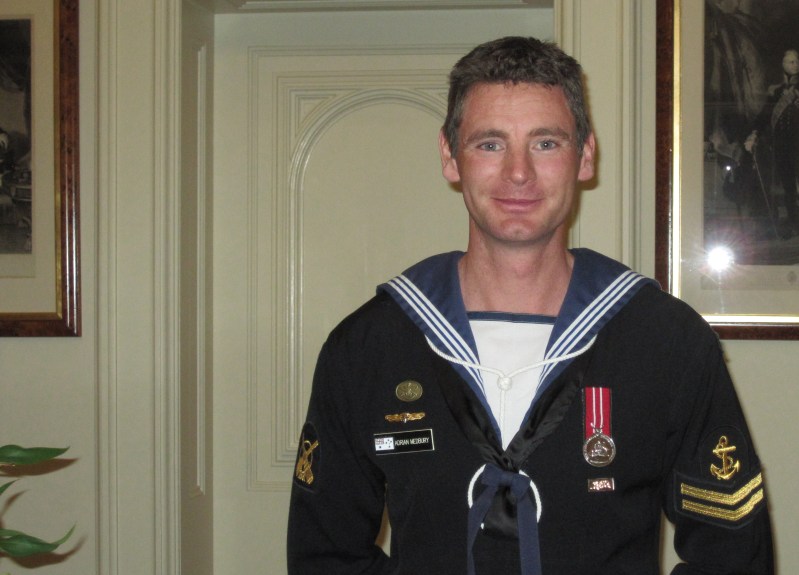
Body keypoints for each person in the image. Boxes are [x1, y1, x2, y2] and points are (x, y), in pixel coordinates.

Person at [287, 36, 773, 575]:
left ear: (585, 156)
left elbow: (732, 556)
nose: (518, 172)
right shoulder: (368, 346)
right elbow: (324, 557)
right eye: (490, 144)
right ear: (449, 156)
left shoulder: (668, 342)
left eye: (545, 143)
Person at [747, 49, 799, 242]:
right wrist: (754, 134)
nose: (795, 65)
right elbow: (764, 116)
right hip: (781, 147)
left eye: (796, 61)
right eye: (790, 62)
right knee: (789, 188)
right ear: (783, 65)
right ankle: (793, 225)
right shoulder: (775, 92)